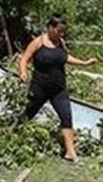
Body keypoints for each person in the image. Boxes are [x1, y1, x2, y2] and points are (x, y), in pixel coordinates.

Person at [18, 16, 97, 162]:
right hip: (39, 88)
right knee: (28, 114)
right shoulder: (38, 42)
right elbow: (24, 58)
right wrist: (23, 72)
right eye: (59, 30)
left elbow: (66, 57)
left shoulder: (60, 42)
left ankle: (70, 152)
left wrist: (84, 63)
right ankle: (11, 135)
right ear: (50, 27)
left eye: (63, 31)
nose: (61, 34)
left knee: (66, 117)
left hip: (59, 90)